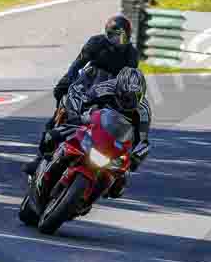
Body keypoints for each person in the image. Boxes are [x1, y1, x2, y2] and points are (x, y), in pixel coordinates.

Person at [23, 14, 138, 175]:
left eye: (124, 37)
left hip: (110, 95)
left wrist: (131, 99)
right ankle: (39, 158)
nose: (120, 40)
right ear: (109, 34)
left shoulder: (131, 54)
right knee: (61, 111)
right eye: (117, 36)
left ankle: (113, 170)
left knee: (117, 125)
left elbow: (130, 80)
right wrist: (65, 83)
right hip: (87, 85)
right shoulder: (96, 43)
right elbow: (78, 64)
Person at [35, 67, 151, 199]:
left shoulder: (143, 111)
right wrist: (75, 115)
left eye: (135, 97)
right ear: (118, 88)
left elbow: (143, 140)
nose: (129, 101)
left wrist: (136, 156)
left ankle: (92, 195)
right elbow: (84, 101)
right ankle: (47, 161)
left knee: (119, 186)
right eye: (126, 96)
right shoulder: (105, 88)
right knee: (52, 136)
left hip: (115, 143)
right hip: (93, 127)